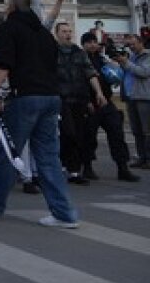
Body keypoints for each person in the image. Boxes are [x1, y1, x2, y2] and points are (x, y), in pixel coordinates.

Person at [0, 0, 80, 228]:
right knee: (49, 158)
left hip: (25, 98)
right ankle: (64, 213)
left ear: (9, 5)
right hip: (51, 98)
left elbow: (3, 65)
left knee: (9, 153)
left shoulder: (9, 28)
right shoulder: (42, 33)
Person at [79, 32, 139, 182]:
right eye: (89, 42)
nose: (93, 45)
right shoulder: (79, 59)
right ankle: (87, 167)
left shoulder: (102, 58)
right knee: (88, 137)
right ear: (84, 44)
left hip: (106, 102)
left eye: (95, 42)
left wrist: (114, 68)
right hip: (90, 103)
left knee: (117, 133)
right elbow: (79, 82)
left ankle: (122, 168)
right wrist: (86, 101)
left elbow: (113, 77)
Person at [52, 22, 107, 185]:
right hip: (61, 99)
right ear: (57, 34)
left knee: (78, 134)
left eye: (69, 31)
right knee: (67, 133)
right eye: (64, 31)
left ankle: (74, 171)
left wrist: (98, 93)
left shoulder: (79, 53)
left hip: (79, 99)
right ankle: (61, 166)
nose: (67, 34)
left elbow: (90, 73)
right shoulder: (51, 52)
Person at [113, 32, 150, 169]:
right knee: (136, 131)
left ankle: (148, 158)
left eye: (133, 44)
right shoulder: (131, 57)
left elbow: (144, 72)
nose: (131, 47)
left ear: (141, 42)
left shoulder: (147, 56)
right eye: (129, 44)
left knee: (147, 131)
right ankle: (141, 157)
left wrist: (126, 62)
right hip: (131, 97)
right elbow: (127, 73)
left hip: (144, 98)